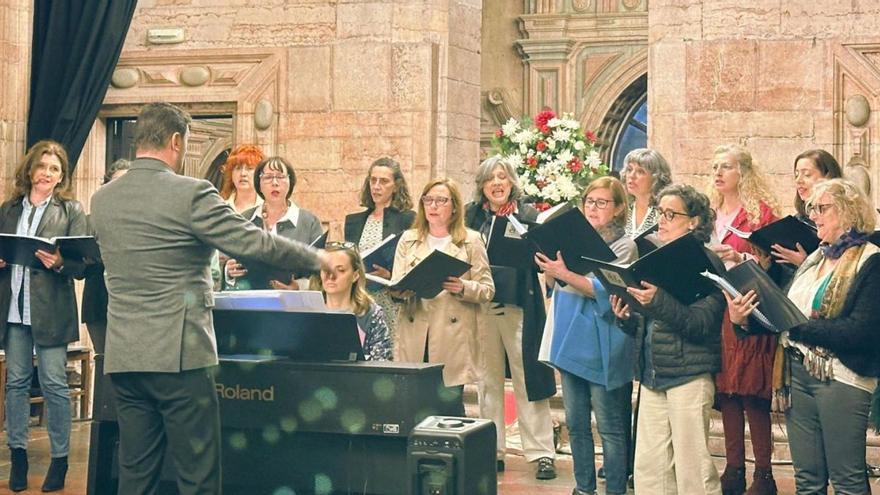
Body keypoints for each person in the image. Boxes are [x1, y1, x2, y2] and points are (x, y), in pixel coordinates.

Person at [90, 102, 327, 495]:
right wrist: (319, 258)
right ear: (176, 141)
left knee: (134, 474)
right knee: (197, 476)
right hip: (179, 355)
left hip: (125, 355)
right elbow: (255, 242)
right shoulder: (191, 193)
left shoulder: (102, 199)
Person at [729, 178, 880, 494]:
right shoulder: (816, 258)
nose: (814, 216)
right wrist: (743, 320)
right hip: (797, 374)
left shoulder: (871, 260)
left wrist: (796, 327)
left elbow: (860, 331)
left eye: (822, 208)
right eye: (812, 208)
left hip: (841, 376)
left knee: (847, 480)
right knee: (807, 480)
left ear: (849, 210)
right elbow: (784, 312)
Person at [610, 183, 725, 495]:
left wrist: (657, 300)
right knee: (650, 471)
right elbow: (652, 326)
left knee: (694, 473)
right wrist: (627, 318)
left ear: (695, 222)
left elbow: (700, 324)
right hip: (653, 375)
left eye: (671, 214)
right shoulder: (655, 260)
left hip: (689, 375)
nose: (662, 219)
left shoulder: (708, 264)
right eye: (660, 212)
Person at [535, 176, 637, 495]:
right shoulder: (570, 236)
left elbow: (607, 289)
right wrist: (552, 273)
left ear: (619, 208)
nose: (593, 208)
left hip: (603, 339)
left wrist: (564, 274)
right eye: (589, 201)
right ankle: (583, 487)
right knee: (576, 424)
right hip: (570, 334)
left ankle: (615, 489)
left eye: (602, 202)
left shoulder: (623, 244)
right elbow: (556, 285)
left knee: (609, 427)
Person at [0, 140, 87, 492]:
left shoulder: (71, 210)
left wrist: (61, 262)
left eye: (54, 169)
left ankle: (60, 461)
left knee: (54, 384)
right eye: (42, 166)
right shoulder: (8, 209)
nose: (47, 174)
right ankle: (18, 456)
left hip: (50, 310)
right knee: (16, 383)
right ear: (30, 168)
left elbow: (85, 265)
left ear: (62, 175)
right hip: (14, 307)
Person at [464, 156, 557, 479]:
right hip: (482, 306)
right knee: (487, 382)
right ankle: (493, 449)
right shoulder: (471, 217)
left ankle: (541, 453)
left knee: (527, 379)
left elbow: (543, 261)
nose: (497, 183)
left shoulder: (528, 216)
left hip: (520, 305)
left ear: (512, 182)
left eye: (502, 177)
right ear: (482, 186)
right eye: (490, 179)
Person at [705, 145, 781, 495]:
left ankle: (763, 473)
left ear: (743, 173)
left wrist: (740, 254)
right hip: (716, 309)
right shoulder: (708, 213)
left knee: (751, 392)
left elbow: (772, 264)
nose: (719, 173)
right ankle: (733, 467)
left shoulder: (759, 214)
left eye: (727, 167)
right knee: (728, 392)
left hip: (749, 305)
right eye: (716, 167)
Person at [392, 178, 495, 416]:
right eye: (428, 200)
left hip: (452, 335)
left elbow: (487, 289)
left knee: (447, 406)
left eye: (441, 200)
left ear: (455, 207)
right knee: (413, 405)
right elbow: (397, 281)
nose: (433, 206)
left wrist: (462, 287)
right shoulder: (408, 239)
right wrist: (399, 291)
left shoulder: (471, 240)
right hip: (415, 326)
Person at [344, 157, 415, 346]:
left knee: (387, 351)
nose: (376, 186)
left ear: (396, 185)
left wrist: (390, 274)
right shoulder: (355, 220)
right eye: (373, 180)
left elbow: (414, 263)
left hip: (389, 301)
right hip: (359, 298)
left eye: (383, 181)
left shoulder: (407, 219)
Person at [224, 155, 324, 290]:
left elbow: (321, 271)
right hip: (250, 302)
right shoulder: (244, 219)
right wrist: (228, 271)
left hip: (294, 305)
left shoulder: (309, 222)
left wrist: (299, 286)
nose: (275, 183)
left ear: (290, 181)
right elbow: (224, 260)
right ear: (259, 183)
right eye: (268, 177)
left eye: (281, 177)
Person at [82, 159, 132, 356]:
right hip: (98, 301)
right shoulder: (90, 219)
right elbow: (77, 269)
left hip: (131, 302)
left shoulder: (142, 222)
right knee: (103, 357)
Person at [310, 242, 392, 361]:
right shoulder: (308, 310)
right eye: (325, 269)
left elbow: (382, 363)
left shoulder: (371, 314)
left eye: (340, 270)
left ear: (355, 275)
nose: (331, 276)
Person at [771, 149, 842, 267]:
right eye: (796, 174)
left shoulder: (841, 220)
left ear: (828, 176)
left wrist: (804, 263)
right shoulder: (797, 221)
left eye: (807, 174)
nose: (798, 180)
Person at [620, 148, 673, 237]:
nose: (632, 176)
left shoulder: (664, 213)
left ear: (656, 178)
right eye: (629, 169)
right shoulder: (622, 210)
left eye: (640, 171)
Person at [219, 144, 264, 214]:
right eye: (238, 168)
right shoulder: (220, 209)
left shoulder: (268, 208)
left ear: (260, 174)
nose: (243, 173)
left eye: (249, 168)